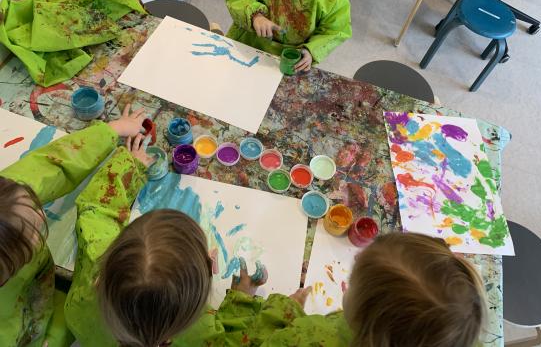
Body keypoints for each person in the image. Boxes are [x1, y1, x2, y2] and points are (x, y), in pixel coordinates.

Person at [0, 105, 146, 347]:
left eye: (34, 204)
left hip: (48, 295)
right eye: (34, 231)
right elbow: (97, 213)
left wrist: (111, 130)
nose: (42, 215)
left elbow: (52, 166)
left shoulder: (7, 199)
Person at [187, 232, 487, 347]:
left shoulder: (308, 338)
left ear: (366, 321)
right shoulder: (450, 336)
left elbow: (240, 343)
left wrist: (270, 306)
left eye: (353, 283)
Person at [64, 135, 215, 347]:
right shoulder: (203, 332)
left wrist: (131, 164)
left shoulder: (94, 255)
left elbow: (95, 207)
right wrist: (241, 297)